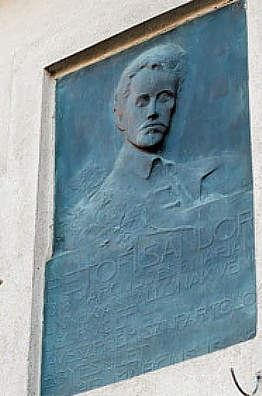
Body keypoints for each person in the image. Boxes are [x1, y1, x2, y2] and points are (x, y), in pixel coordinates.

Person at [60, 42, 246, 250]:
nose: (153, 111)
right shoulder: (91, 216)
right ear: (119, 114)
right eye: (142, 101)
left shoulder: (212, 174)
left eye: (165, 98)